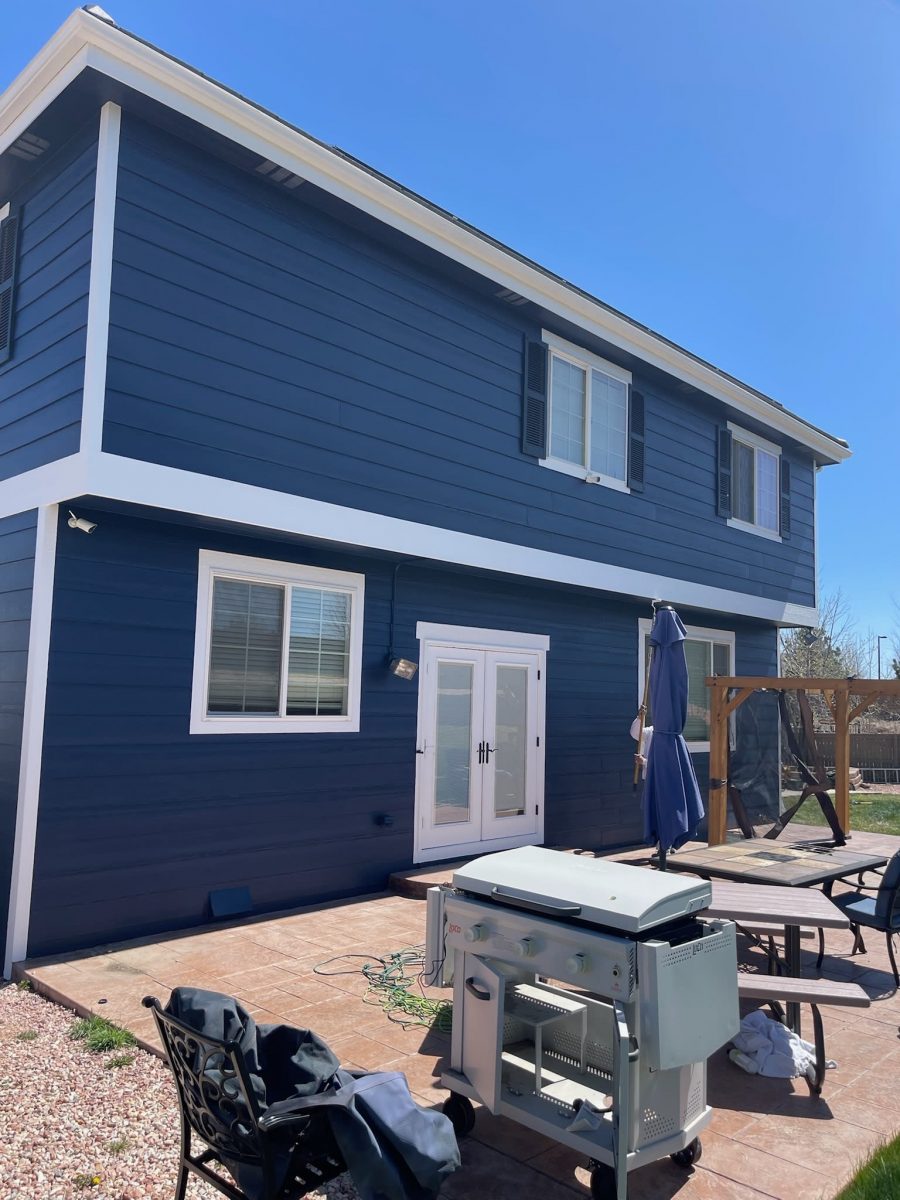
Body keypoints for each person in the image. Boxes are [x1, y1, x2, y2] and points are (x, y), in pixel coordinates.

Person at [629, 715, 653, 779]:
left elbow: (665, 764)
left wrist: (644, 761)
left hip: (663, 779)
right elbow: (635, 733)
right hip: (649, 777)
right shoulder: (651, 731)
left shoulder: (671, 735)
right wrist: (639, 718)